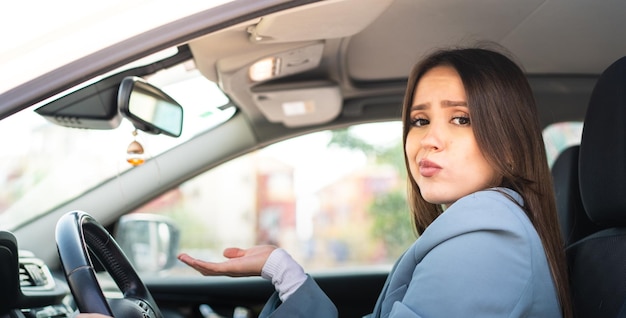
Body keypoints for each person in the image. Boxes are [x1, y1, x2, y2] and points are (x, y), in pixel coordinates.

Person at [78, 47, 573, 317]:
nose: (430, 140)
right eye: (419, 121)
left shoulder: (488, 243)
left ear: (508, 141)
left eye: (460, 119)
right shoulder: (482, 231)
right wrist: (283, 271)